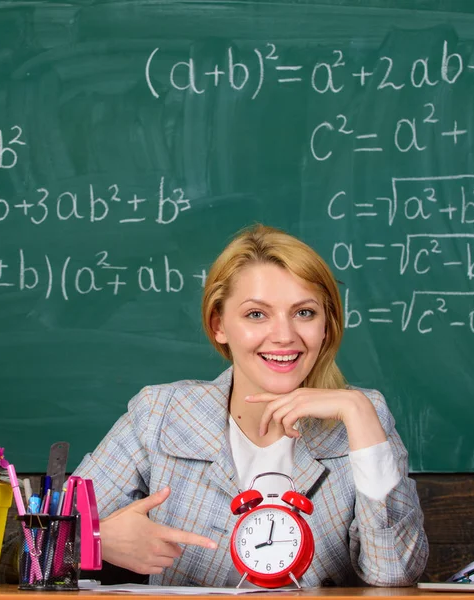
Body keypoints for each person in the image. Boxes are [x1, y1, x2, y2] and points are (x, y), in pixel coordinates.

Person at [73, 224, 429, 587]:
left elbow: (394, 573)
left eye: (304, 313)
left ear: (327, 326)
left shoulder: (363, 416)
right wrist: (96, 541)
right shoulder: (160, 413)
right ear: (219, 325)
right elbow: (35, 549)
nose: (284, 336)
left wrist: (359, 414)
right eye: (256, 314)